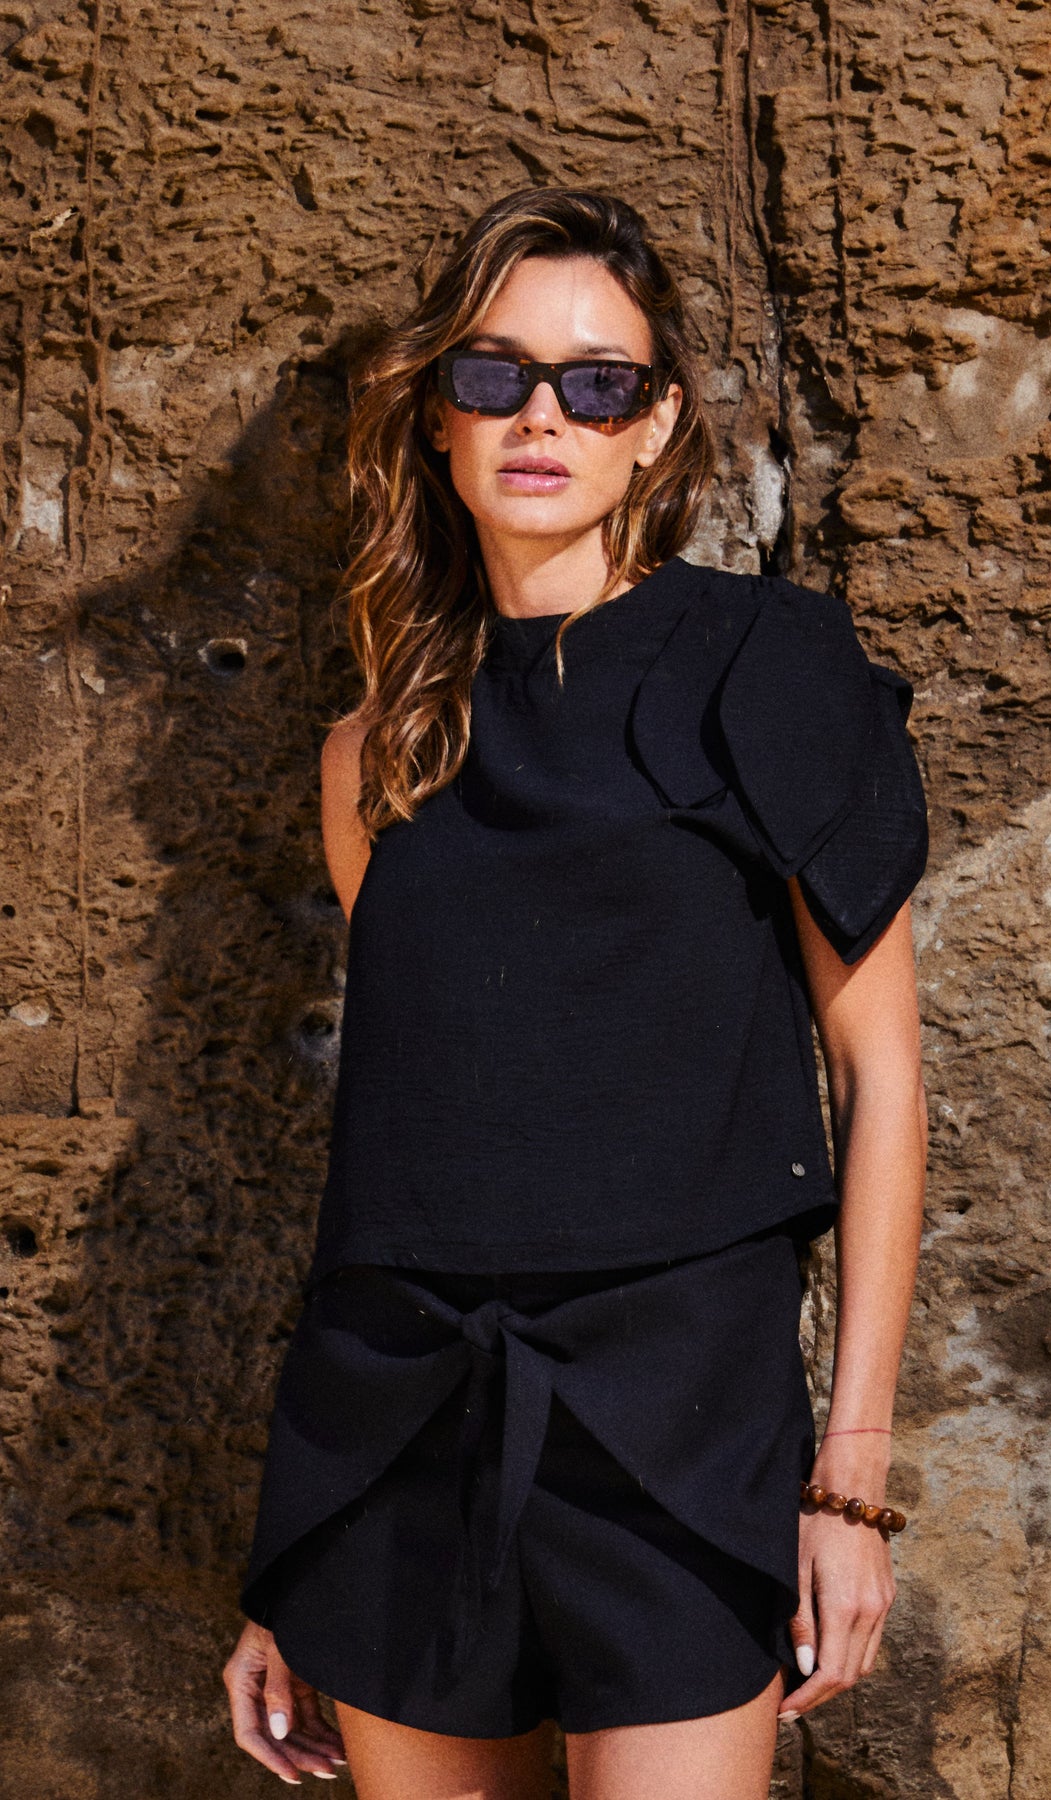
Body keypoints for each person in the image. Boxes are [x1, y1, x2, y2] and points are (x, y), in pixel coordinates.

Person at [222, 186, 929, 1800]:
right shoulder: (374, 754)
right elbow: (399, 1150)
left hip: (684, 1429)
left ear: (656, 423)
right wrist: (292, 1555)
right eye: (496, 376)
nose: (543, 417)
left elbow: (882, 1077)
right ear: (439, 414)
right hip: (400, 1432)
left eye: (597, 382)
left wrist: (850, 1484)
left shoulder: (769, 668)